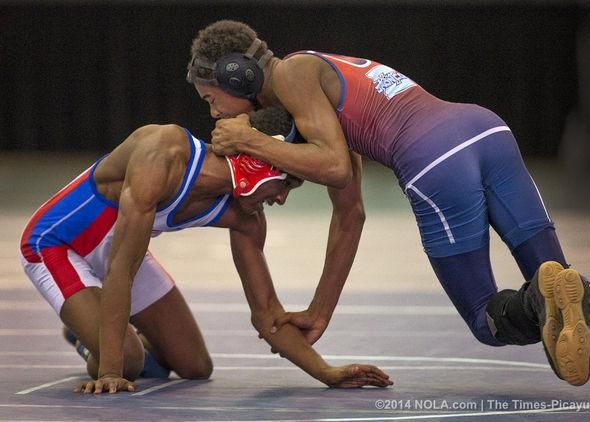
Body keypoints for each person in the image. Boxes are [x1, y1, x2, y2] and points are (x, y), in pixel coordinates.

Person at [187, 20, 590, 387]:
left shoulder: (293, 75)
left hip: (435, 160)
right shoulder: (318, 81)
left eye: (211, 100)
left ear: (237, 74)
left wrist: (249, 140)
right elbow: (350, 214)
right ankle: (566, 294)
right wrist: (320, 312)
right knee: (568, 291)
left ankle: (540, 297)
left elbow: (333, 168)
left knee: (485, 320)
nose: (215, 114)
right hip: (486, 130)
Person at [18, 106, 393, 394]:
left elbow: (267, 315)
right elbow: (120, 270)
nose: (280, 199)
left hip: (122, 251)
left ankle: (97, 323)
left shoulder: (246, 219)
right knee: (126, 361)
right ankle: (92, 336)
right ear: (258, 164)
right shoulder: (163, 152)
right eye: (285, 186)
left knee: (195, 366)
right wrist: (111, 371)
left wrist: (326, 372)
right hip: (58, 245)